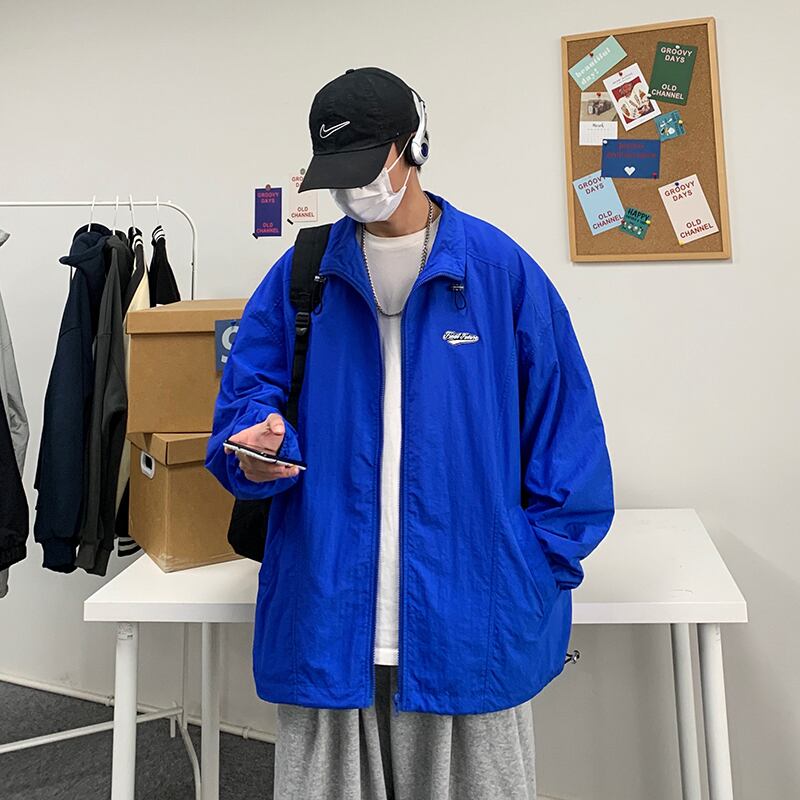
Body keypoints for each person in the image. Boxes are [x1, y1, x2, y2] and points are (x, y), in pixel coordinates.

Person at [205, 66, 615, 800]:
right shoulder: (301, 277)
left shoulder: (500, 274)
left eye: (367, 166)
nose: (352, 190)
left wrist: (528, 571)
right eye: (338, 173)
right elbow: (243, 407)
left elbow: (568, 440)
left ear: (413, 146)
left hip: (471, 622)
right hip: (327, 617)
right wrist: (256, 451)